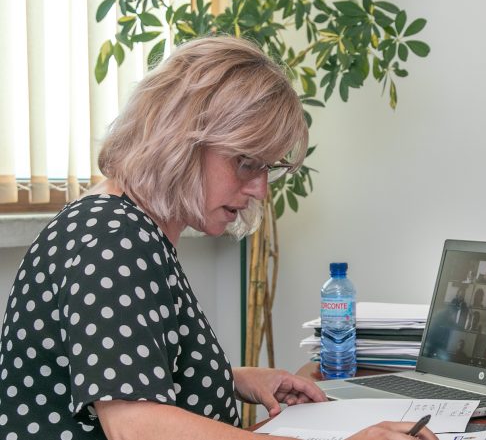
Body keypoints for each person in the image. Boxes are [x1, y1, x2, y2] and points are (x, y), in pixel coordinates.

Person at [0, 37, 436, 440]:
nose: (261, 189)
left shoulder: (126, 226)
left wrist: (231, 377)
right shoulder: (112, 238)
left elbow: (127, 368)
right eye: (246, 163)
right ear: (180, 142)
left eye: (268, 168)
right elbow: (137, 426)